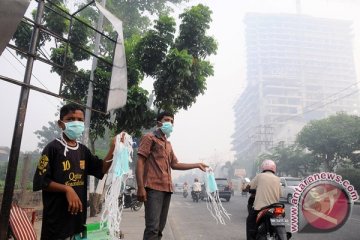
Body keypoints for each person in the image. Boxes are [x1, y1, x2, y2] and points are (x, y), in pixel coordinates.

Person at [33, 103, 116, 240]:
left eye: (80, 120)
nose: (75, 123)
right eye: (70, 119)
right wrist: (67, 189)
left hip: (77, 222)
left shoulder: (83, 151)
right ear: (61, 124)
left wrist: (114, 148)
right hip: (56, 223)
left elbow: (102, 169)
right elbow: (41, 181)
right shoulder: (52, 148)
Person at [136, 111, 208, 240]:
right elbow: (140, 162)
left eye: (172, 121)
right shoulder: (149, 138)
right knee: (152, 228)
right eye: (167, 120)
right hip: (153, 188)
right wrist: (140, 187)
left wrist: (197, 164)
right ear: (159, 122)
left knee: (159, 229)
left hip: (167, 189)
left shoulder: (168, 144)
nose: (170, 123)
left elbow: (175, 164)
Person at [246, 159, 281, 240]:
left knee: (250, 221)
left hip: (261, 207)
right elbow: (280, 193)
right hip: (275, 207)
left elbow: (250, 186)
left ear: (263, 168)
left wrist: (245, 187)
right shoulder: (277, 179)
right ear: (274, 168)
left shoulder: (259, 176)